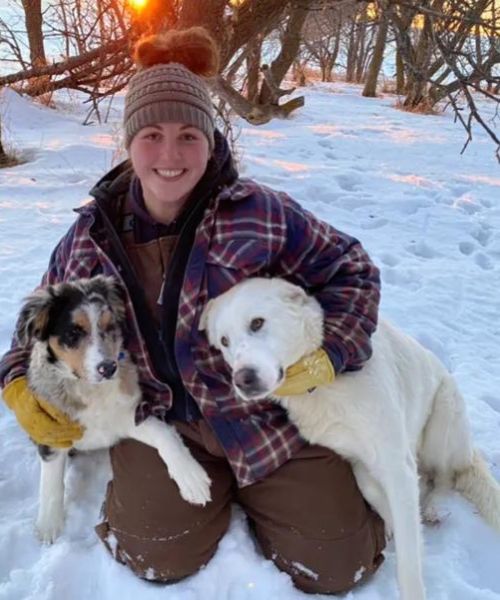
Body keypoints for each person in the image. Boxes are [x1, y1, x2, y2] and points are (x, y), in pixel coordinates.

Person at [0, 27, 385, 594]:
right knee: (154, 555)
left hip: (266, 419)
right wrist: (18, 386)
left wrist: (332, 352)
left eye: (188, 134)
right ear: (128, 142)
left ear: (211, 138)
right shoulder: (89, 239)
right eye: (152, 134)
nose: (171, 156)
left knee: (338, 565)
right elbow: (35, 329)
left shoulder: (263, 214)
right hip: (158, 422)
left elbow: (351, 271)